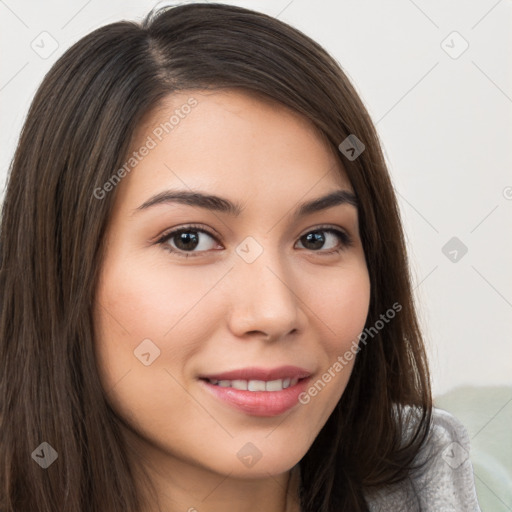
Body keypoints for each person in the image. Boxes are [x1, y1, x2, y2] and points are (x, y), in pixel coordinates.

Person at [0, 2, 482, 511]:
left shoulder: (423, 475)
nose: (274, 313)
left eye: (318, 238)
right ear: (61, 267)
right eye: (190, 239)